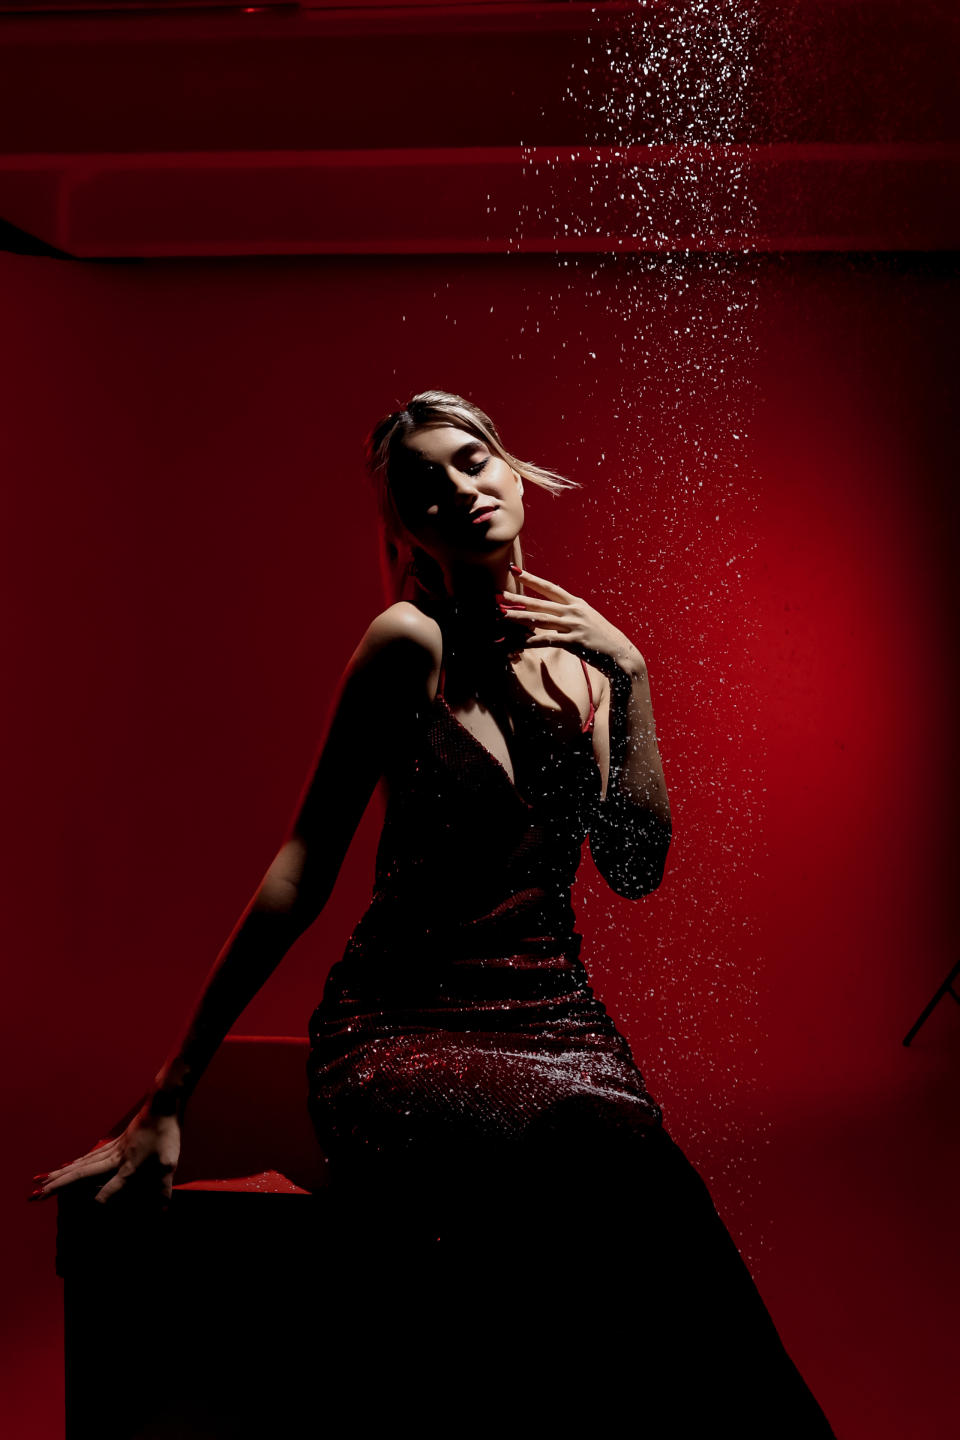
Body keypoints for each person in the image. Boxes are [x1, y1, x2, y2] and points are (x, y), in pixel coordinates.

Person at [30, 390, 836, 1435]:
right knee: (558, 1196)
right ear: (406, 529)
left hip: (558, 1027)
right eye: (423, 487)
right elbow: (301, 867)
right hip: (403, 1027)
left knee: (652, 1199)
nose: (458, 489)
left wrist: (634, 674)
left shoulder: (591, 669)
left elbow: (635, 870)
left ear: (513, 469)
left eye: (471, 461)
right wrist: (169, 1094)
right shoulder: (407, 643)